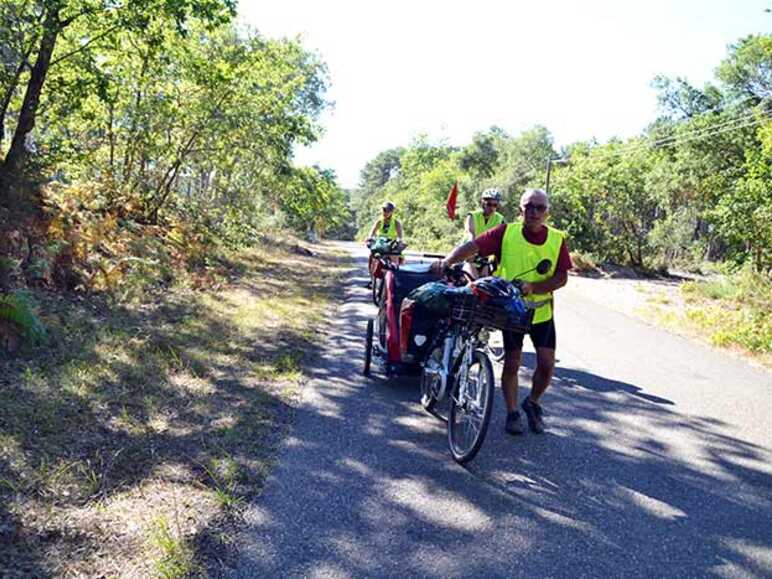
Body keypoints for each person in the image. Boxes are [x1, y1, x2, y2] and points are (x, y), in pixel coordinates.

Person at [431, 188, 572, 435]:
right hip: (511, 312)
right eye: (529, 206)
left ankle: (533, 402)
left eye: (540, 208)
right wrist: (447, 262)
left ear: (547, 213)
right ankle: (512, 412)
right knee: (512, 363)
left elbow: (561, 277)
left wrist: (535, 287)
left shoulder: (558, 239)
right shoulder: (507, 232)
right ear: (520, 210)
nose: (534, 212)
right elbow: (473, 245)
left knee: (547, 364)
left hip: (541, 313)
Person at [464, 188, 505, 278]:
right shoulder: (472, 215)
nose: (492, 208)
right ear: (483, 203)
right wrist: (471, 253)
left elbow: (501, 240)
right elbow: (470, 233)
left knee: (485, 280)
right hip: (469, 249)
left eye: (495, 205)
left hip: (485, 254)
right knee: (472, 279)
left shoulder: (499, 218)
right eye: (489, 204)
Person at [366, 201, 405, 288]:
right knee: (372, 258)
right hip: (380, 244)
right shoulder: (379, 222)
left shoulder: (396, 223)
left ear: (392, 212)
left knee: (395, 259)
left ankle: (395, 280)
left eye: (388, 211)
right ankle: (372, 280)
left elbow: (400, 236)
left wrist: (399, 241)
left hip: (391, 245)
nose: (385, 212)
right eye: (384, 210)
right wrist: (370, 239)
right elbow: (372, 233)